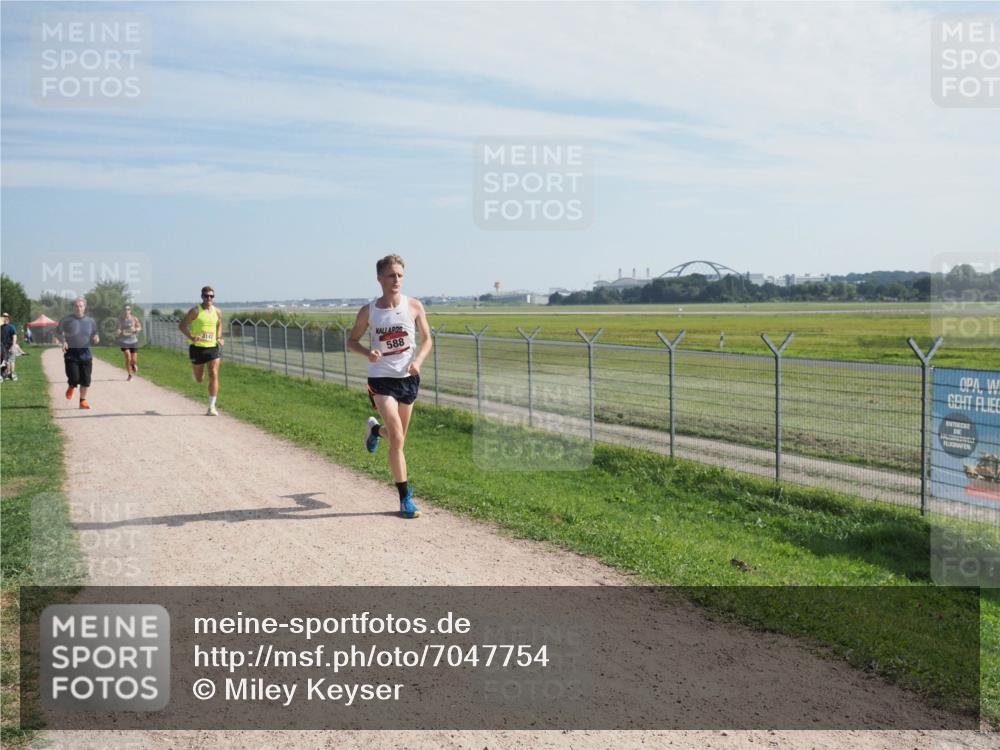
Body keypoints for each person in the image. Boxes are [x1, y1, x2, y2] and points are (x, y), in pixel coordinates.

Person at [348, 254, 432, 519]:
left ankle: (374, 430)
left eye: (400, 275)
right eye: (391, 275)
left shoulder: (414, 306)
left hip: (408, 379)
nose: (396, 280)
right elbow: (351, 341)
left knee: (399, 439)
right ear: (379, 278)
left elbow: (428, 340)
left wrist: (418, 361)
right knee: (396, 439)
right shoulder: (369, 311)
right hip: (381, 379)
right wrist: (368, 353)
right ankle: (405, 499)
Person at [179, 285, 223, 416]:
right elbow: (182, 326)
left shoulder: (217, 311)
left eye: (211, 296)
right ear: (202, 297)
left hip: (212, 347)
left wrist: (218, 337)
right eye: (206, 296)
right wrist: (192, 337)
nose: (209, 298)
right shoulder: (195, 311)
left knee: (214, 373)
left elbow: (219, 324)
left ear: (213, 297)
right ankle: (197, 374)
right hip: (197, 348)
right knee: (199, 379)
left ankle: (211, 407)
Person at [55, 298, 100, 409]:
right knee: (74, 378)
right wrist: (63, 341)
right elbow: (58, 333)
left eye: (81, 306)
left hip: (86, 354)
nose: (78, 308)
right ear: (73, 307)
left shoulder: (91, 321)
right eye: (76, 306)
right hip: (71, 354)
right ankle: (71, 386)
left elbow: (96, 334)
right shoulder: (66, 320)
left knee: (86, 380)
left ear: (84, 307)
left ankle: (82, 401)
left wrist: (96, 338)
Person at [115, 305, 142, 381]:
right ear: (123, 311)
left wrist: (136, 329)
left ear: (130, 311)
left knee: (133, 360)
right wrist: (118, 332)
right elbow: (117, 331)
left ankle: (133, 364)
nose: (126, 311)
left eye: (128, 309)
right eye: (125, 309)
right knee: (128, 356)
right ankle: (130, 375)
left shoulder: (134, 318)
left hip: (133, 341)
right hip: (124, 341)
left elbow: (140, 327)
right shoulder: (120, 320)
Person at [1, 313, 17, 381]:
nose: (5, 318)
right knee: (7, 361)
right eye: (3, 316)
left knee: (11, 360)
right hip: (3, 348)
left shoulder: (11, 327)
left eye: (6, 317)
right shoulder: (1, 327)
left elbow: (14, 336)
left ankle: (12, 374)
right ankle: (8, 374)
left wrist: (13, 345)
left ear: (8, 318)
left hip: (10, 346)